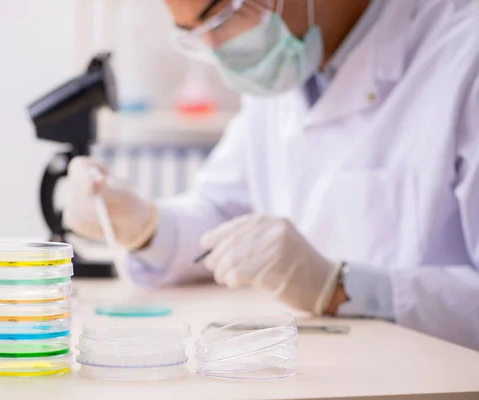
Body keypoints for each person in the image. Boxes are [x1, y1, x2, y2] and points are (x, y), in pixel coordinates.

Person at [64, 0, 479, 350]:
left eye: (220, 19)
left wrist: (344, 287)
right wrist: (146, 227)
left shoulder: (464, 56)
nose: (215, 49)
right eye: (192, 33)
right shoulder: (288, 68)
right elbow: (221, 218)